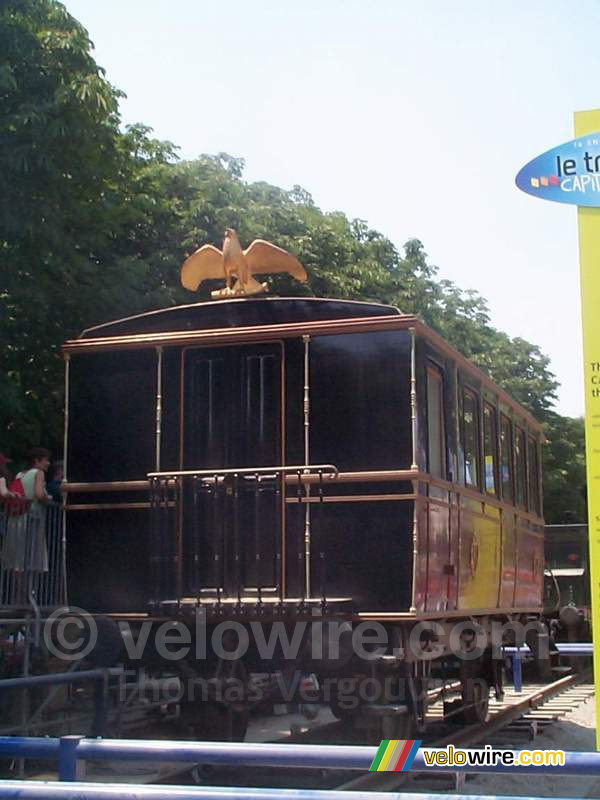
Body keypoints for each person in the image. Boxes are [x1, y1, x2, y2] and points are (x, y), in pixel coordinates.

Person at [2, 448, 50, 582]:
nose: (48, 463)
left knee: (17, 559)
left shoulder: (20, 475)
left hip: (16, 518)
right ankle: (28, 597)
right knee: (32, 557)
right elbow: (39, 494)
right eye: (46, 460)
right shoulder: (39, 473)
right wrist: (48, 498)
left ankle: (17, 597)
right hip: (32, 518)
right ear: (37, 460)